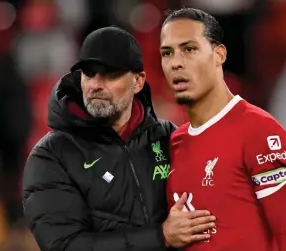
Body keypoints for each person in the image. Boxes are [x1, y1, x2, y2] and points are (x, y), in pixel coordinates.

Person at [22, 26, 216, 251]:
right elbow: (65, 245)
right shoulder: (52, 155)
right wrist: (160, 236)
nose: (96, 84)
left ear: (138, 81)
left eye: (110, 74)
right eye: (89, 73)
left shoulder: (168, 137)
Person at [159, 8, 286, 251]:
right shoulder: (175, 142)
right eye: (167, 53)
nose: (176, 63)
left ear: (219, 54)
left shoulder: (259, 131)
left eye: (189, 49)